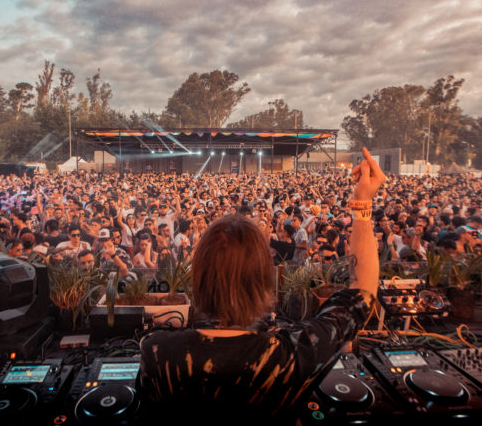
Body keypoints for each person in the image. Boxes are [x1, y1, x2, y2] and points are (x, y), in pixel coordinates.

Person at [136, 147, 384, 423]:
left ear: (199, 278)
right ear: (263, 280)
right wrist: (362, 205)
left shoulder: (157, 352)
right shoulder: (292, 355)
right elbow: (362, 292)